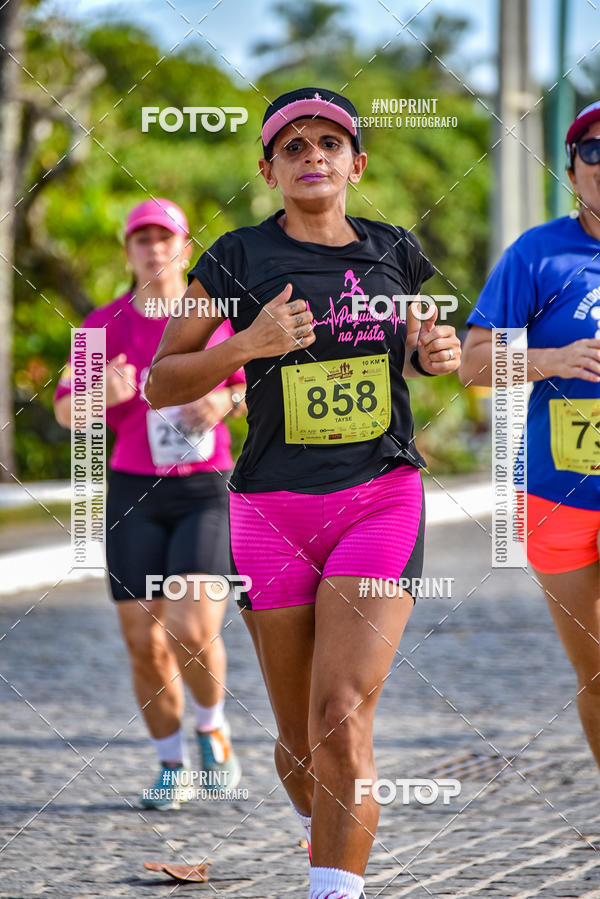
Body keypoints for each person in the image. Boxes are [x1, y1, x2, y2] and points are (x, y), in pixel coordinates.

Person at [146, 88, 461, 898]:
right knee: (298, 745)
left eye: (329, 142)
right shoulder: (234, 259)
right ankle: (329, 832)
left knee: (339, 713)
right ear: (269, 169)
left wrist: (435, 348)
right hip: (270, 511)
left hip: (380, 496)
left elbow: (425, 348)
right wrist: (246, 344)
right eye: (293, 146)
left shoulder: (395, 250)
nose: (312, 154)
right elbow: (160, 381)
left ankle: (335, 888)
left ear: (356, 163)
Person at [53, 198, 245, 809]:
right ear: (129, 251)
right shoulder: (100, 325)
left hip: (205, 489)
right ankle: (171, 764)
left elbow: (249, 388)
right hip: (134, 492)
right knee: (143, 639)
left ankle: (212, 725)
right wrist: (97, 398)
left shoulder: (212, 316)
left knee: (191, 626)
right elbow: (64, 411)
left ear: (186, 248)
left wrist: (222, 403)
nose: (155, 249)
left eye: (166, 239)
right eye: (143, 240)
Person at [460, 102, 600, 768]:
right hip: (556, 488)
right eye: (593, 151)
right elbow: (473, 363)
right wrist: (552, 360)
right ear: (573, 171)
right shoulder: (537, 253)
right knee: (595, 668)